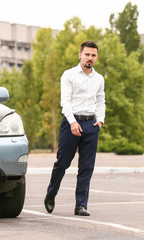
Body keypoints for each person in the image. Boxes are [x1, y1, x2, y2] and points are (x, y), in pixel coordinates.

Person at [44, 41, 105, 216]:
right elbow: (65, 101)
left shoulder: (99, 79)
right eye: (87, 54)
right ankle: (51, 194)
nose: (90, 58)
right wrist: (72, 122)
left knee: (86, 167)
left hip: (90, 125)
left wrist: (100, 121)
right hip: (71, 122)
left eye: (93, 55)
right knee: (62, 163)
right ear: (80, 55)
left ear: (96, 57)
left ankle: (81, 205)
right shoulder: (69, 75)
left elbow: (101, 100)